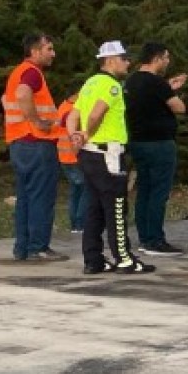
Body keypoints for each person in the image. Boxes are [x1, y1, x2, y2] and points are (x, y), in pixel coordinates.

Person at [65, 41, 154, 274]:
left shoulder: (90, 83)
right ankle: (123, 258)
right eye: (124, 58)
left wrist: (74, 136)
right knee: (116, 206)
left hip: (89, 154)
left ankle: (93, 259)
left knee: (94, 207)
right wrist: (85, 133)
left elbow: (72, 115)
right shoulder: (111, 85)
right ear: (111, 60)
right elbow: (96, 114)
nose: (128, 62)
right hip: (108, 153)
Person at [2, 33, 68, 262]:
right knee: (41, 196)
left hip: (19, 143)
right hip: (36, 142)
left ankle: (23, 247)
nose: (53, 54)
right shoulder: (31, 72)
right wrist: (37, 121)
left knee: (26, 197)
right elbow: (22, 94)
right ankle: (38, 247)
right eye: (49, 49)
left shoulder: (18, 72)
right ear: (35, 51)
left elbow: (6, 99)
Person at [124, 42, 188, 256]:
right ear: (157, 58)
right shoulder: (157, 82)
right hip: (159, 143)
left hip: (138, 141)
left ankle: (144, 236)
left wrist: (168, 87)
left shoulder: (131, 81)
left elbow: (150, 99)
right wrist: (172, 91)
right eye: (166, 57)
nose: (168, 62)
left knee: (144, 190)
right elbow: (179, 107)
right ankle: (155, 240)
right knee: (159, 192)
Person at [56, 93, 88, 235]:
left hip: (64, 156)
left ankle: (75, 224)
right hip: (74, 157)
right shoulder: (73, 111)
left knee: (75, 191)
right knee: (85, 189)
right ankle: (80, 223)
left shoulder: (62, 106)